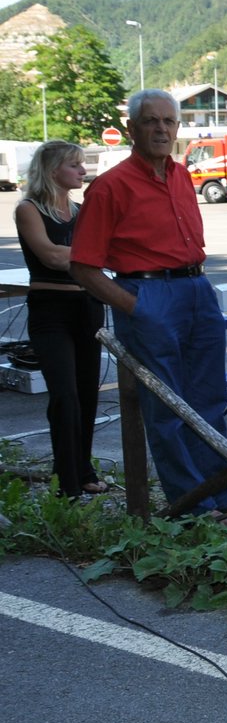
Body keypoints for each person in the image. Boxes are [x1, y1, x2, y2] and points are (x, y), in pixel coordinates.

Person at [69, 90, 227, 523]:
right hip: (149, 295)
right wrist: (137, 307)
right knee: (167, 409)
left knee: (208, 400)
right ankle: (193, 509)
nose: (161, 129)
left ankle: (220, 500)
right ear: (132, 129)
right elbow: (83, 267)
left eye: (169, 122)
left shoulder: (181, 176)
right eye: (151, 121)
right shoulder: (110, 187)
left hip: (197, 290)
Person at [16, 141, 105, 499]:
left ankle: (82, 471)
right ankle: (66, 483)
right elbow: (51, 257)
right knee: (64, 396)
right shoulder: (28, 209)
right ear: (53, 170)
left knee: (86, 395)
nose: (83, 171)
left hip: (87, 306)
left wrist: (94, 254)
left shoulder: (81, 210)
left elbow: (103, 252)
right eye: (75, 165)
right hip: (50, 310)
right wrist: (92, 253)